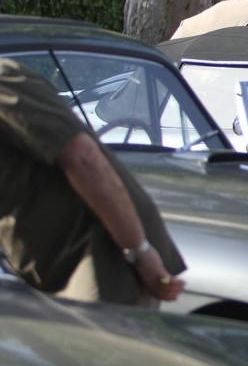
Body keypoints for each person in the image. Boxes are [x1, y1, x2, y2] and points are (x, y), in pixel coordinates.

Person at [0, 60, 186, 306]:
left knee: (105, 341)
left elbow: (83, 158)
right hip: (48, 264)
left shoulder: (4, 82)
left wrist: (138, 251)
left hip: (98, 249)